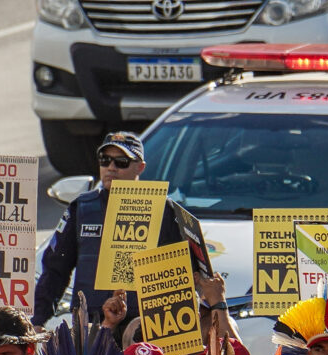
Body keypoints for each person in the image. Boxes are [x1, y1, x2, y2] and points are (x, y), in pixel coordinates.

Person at [32, 130, 206, 326]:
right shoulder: (81, 208)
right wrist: (39, 319)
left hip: (142, 328)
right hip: (90, 324)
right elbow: (55, 270)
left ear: (140, 167)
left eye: (121, 162)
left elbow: (184, 276)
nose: (111, 168)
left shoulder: (163, 209)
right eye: (104, 160)